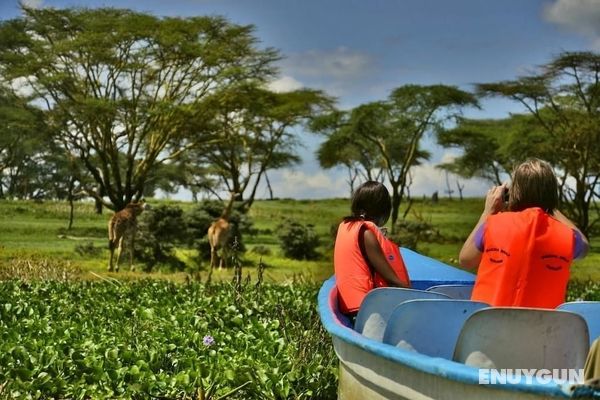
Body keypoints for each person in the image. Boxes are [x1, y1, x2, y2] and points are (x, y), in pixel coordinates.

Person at [459, 158, 589, 308]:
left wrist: (488, 212)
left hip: (489, 326)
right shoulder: (567, 236)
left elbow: (466, 260)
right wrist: (551, 208)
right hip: (544, 328)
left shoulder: (493, 224)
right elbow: (584, 247)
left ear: (514, 192)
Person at [334, 181, 410, 316]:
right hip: (366, 308)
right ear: (383, 210)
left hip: (350, 306)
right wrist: (411, 292)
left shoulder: (347, 226)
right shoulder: (367, 233)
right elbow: (390, 277)